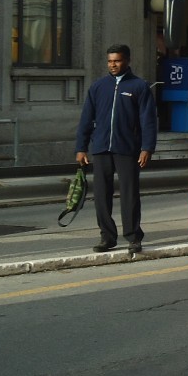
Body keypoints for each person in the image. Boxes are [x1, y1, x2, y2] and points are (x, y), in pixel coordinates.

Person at [75, 44, 157, 254]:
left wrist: (147, 148)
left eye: (117, 61)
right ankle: (107, 237)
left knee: (130, 194)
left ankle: (133, 236)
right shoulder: (98, 87)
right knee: (101, 196)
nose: (113, 65)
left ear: (127, 60)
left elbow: (148, 121)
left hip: (127, 149)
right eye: (110, 61)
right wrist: (81, 148)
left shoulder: (139, 86)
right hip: (101, 148)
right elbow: (86, 119)